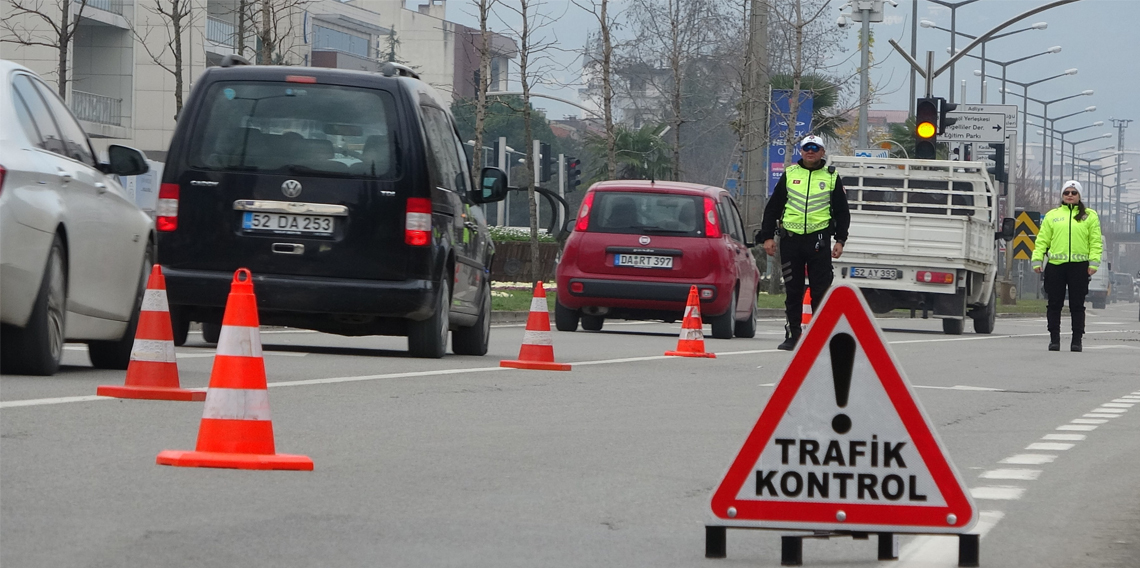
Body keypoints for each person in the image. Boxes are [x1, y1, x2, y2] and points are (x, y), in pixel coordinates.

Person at [756, 135, 850, 350]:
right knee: (793, 290)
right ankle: (793, 335)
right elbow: (773, 208)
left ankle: (820, 337)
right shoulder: (789, 174)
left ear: (822, 152)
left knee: (820, 290)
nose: (810, 151)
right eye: (806, 148)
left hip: (819, 241)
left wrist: (840, 240)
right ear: (801, 151)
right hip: (791, 241)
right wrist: (768, 237)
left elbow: (842, 212)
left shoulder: (831, 177)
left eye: (815, 148)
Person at [1032, 180, 1103, 352]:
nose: (1070, 195)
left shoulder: (1090, 216)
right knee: (1054, 303)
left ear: (1079, 196)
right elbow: (1042, 240)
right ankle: (1054, 339)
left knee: (1077, 305)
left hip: (1079, 267)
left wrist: (1094, 262)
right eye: (1066, 193)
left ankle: (1076, 340)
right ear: (1062, 196)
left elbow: (1095, 241)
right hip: (1056, 266)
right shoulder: (1052, 215)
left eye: (1073, 193)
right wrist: (1037, 259)